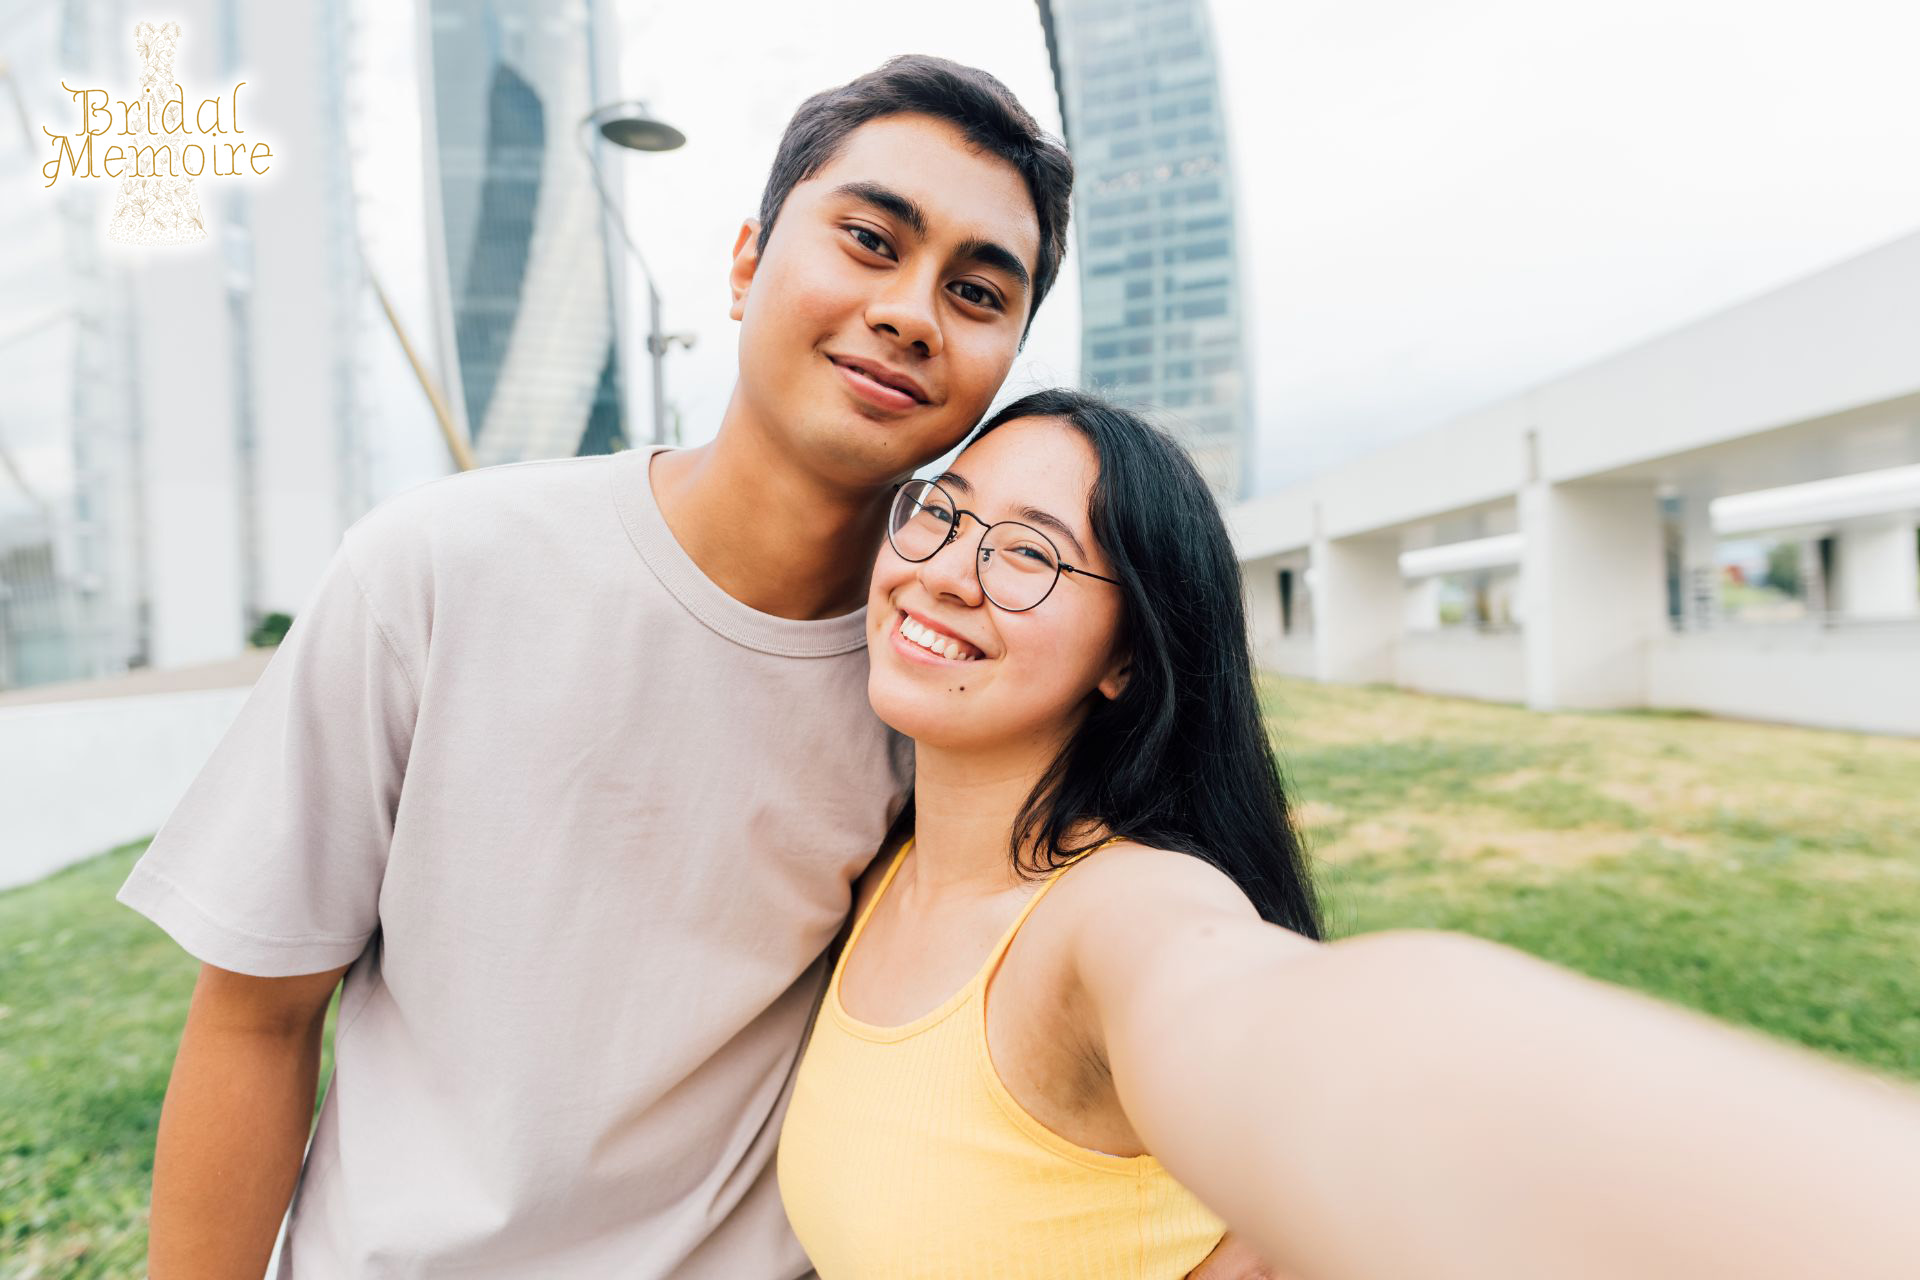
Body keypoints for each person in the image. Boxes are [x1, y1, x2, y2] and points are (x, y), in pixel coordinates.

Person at [116, 55, 1267, 1280]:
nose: (913, 311)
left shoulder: (950, 686)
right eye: (871, 239)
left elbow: (1170, 961)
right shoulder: (434, 571)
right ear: (743, 263)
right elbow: (253, 1018)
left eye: (979, 293)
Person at [776, 387, 1920, 1279]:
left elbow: (1316, 1034)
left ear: (1129, 656)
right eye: (943, 509)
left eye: (1027, 552)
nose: (945, 571)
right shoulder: (874, 871)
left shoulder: (1112, 916)